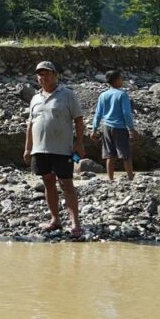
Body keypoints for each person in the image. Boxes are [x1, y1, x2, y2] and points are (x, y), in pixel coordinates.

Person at [24, 61, 85, 237]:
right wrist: (28, 148)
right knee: (48, 183)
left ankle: (75, 224)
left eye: (47, 73)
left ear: (55, 75)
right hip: (40, 149)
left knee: (67, 184)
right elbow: (30, 125)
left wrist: (79, 143)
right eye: (40, 74)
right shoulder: (35, 98)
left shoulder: (67, 95)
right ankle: (55, 219)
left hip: (63, 149)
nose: (43, 77)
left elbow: (78, 120)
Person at [91, 70, 141, 181]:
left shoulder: (103, 95)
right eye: (121, 78)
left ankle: (110, 179)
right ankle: (130, 177)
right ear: (117, 80)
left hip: (106, 127)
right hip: (120, 127)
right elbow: (126, 113)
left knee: (109, 155)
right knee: (125, 154)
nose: (122, 80)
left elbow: (98, 114)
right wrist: (132, 129)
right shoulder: (122, 95)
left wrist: (94, 129)